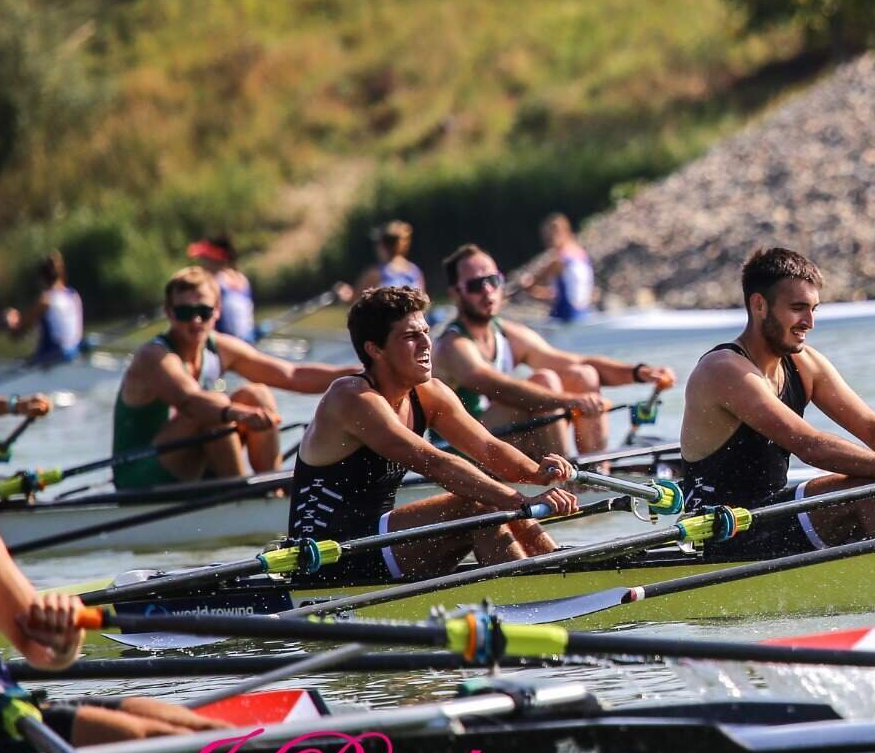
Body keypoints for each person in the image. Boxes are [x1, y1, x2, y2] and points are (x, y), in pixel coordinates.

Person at [675, 247, 875, 558]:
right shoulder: (723, 370)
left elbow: (873, 428)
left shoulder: (804, 363)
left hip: (773, 514)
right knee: (867, 487)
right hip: (722, 531)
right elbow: (810, 445)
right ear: (759, 305)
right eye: (798, 308)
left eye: (814, 309)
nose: (809, 322)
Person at [288, 287, 581, 581]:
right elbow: (435, 463)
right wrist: (520, 501)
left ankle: (559, 574)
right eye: (410, 336)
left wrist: (536, 472)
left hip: (378, 542)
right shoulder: (352, 398)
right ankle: (534, 594)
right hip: (328, 556)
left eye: (426, 332)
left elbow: (488, 447)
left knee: (493, 499)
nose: (427, 343)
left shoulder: (428, 393)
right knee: (477, 504)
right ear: (375, 349)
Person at [0, 519, 230, 749]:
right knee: (154, 738)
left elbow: (41, 650)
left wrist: (63, 639)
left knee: (211, 732)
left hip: (7, 709)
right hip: (1, 723)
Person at [112, 267, 360, 489]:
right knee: (213, 410)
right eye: (184, 312)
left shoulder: (219, 347)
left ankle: (271, 489)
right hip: (139, 475)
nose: (196, 320)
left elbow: (292, 375)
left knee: (257, 394)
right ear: (168, 312)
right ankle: (246, 494)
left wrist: (363, 373)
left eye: (204, 311)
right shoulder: (154, 356)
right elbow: (191, 400)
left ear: (217, 311)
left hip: (189, 462)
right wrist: (237, 414)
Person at [432, 244, 671, 459]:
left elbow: (576, 361)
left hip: (502, 440)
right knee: (545, 381)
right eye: (475, 285)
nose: (487, 291)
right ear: (456, 293)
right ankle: (563, 478)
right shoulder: (453, 346)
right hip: (461, 453)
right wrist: (572, 401)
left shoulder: (509, 335)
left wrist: (640, 373)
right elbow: (503, 389)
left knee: (582, 374)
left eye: (493, 281)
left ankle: (597, 470)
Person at [1, 252, 84, 366]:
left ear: (42, 279)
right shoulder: (74, 295)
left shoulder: (45, 300)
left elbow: (18, 333)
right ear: (62, 274)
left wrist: (11, 322)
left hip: (53, 358)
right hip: (74, 353)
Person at [516, 213, 597, 323]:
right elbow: (558, 294)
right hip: (583, 314)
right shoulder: (581, 254)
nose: (548, 239)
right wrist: (533, 291)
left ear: (564, 232)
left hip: (567, 317)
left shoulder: (560, 261)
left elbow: (537, 279)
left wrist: (527, 283)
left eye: (551, 235)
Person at [189, 234, 257, 342]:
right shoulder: (242, 279)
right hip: (247, 341)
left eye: (204, 258)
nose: (201, 262)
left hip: (224, 345)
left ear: (215, 259)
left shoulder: (212, 283)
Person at [353, 220, 426, 294]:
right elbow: (423, 301)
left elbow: (356, 301)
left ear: (383, 246)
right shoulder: (415, 272)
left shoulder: (374, 274)